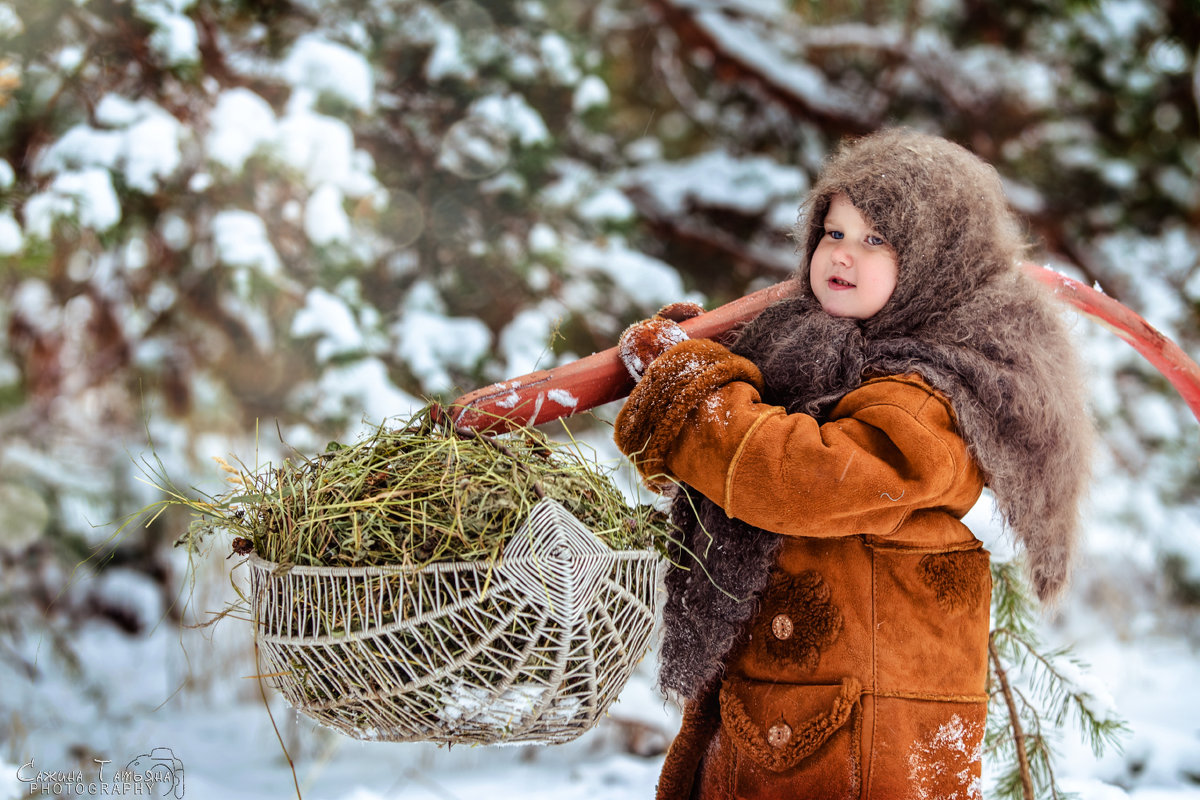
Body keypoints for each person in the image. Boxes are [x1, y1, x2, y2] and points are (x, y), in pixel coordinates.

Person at [612, 129, 1092, 799]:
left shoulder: (935, 393)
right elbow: (767, 416)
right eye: (833, 232)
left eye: (876, 241)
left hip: (855, 741)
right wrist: (705, 366)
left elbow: (804, 478)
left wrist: (694, 396)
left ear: (937, 261)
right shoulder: (823, 354)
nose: (843, 254)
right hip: (803, 713)